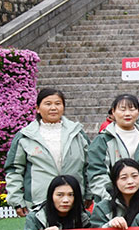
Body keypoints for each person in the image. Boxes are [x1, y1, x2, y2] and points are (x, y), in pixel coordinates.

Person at [5, 88, 89, 218]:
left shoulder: (77, 133)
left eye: (58, 103)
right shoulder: (25, 136)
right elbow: (14, 170)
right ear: (37, 108)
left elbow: (90, 165)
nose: (53, 108)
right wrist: (16, 200)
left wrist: (89, 194)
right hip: (39, 202)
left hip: (73, 200)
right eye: (48, 104)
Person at [86, 94, 139, 204]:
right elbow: (97, 172)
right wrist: (110, 199)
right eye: (122, 109)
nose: (127, 113)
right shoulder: (103, 139)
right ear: (113, 112)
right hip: (112, 200)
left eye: (132, 109)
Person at [92, 159, 139, 228]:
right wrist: (109, 225)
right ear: (115, 181)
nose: (130, 181)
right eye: (124, 178)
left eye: (134, 176)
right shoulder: (102, 208)